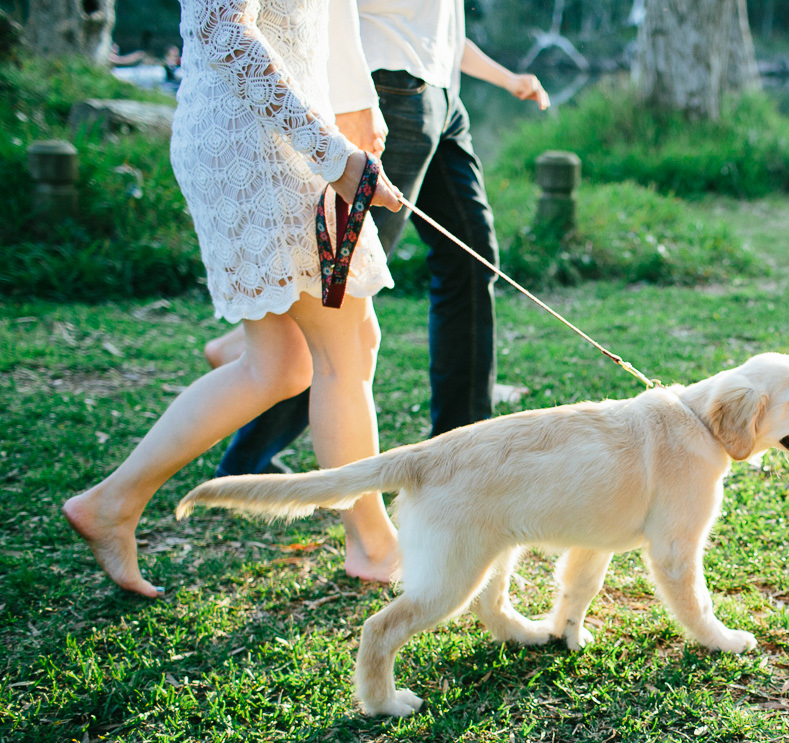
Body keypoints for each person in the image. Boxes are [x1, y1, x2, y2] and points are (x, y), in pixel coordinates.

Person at [64, 0, 403, 596]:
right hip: (263, 147)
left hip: (283, 136)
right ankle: (375, 546)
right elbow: (221, 28)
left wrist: (350, 117)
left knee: (283, 364)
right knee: (343, 350)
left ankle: (112, 501)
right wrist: (330, 152)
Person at [202, 0, 550, 477]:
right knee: (339, 293)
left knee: (472, 259)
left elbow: (438, 29)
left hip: (443, 96)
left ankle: (464, 449)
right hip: (387, 90)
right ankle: (245, 462)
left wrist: (507, 79)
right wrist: (355, 102)